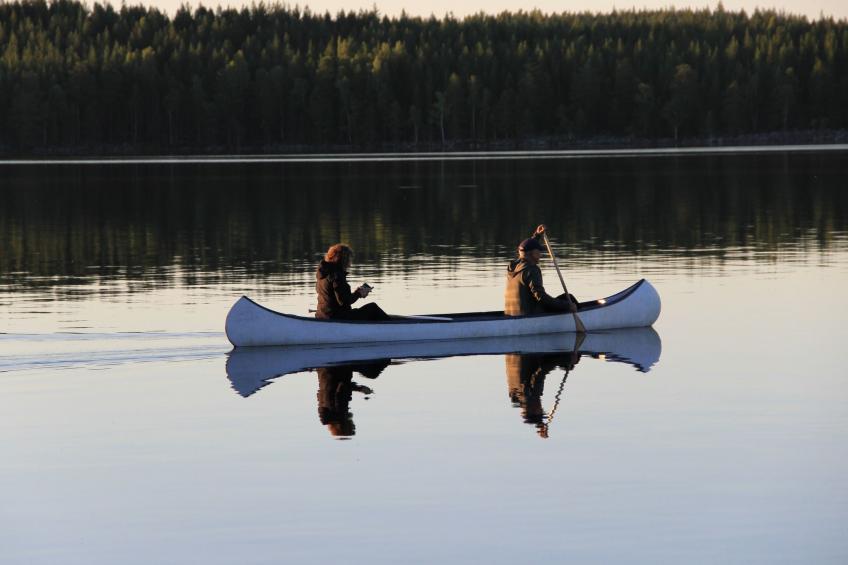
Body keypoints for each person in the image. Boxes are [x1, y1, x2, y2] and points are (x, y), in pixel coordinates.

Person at [504, 224, 578, 316]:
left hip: (510, 314)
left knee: (564, 301)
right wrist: (567, 306)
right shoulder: (532, 270)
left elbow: (525, 249)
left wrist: (537, 235)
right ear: (532, 253)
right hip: (529, 314)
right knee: (569, 298)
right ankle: (581, 316)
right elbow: (541, 297)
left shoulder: (512, 266)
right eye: (538, 252)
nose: (540, 255)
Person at [315, 243, 390, 321]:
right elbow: (344, 302)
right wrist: (359, 294)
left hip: (322, 315)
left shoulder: (323, 273)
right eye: (349, 260)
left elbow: (335, 298)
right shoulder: (336, 276)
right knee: (373, 308)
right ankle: (394, 327)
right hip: (337, 317)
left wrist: (357, 293)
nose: (350, 264)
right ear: (343, 260)